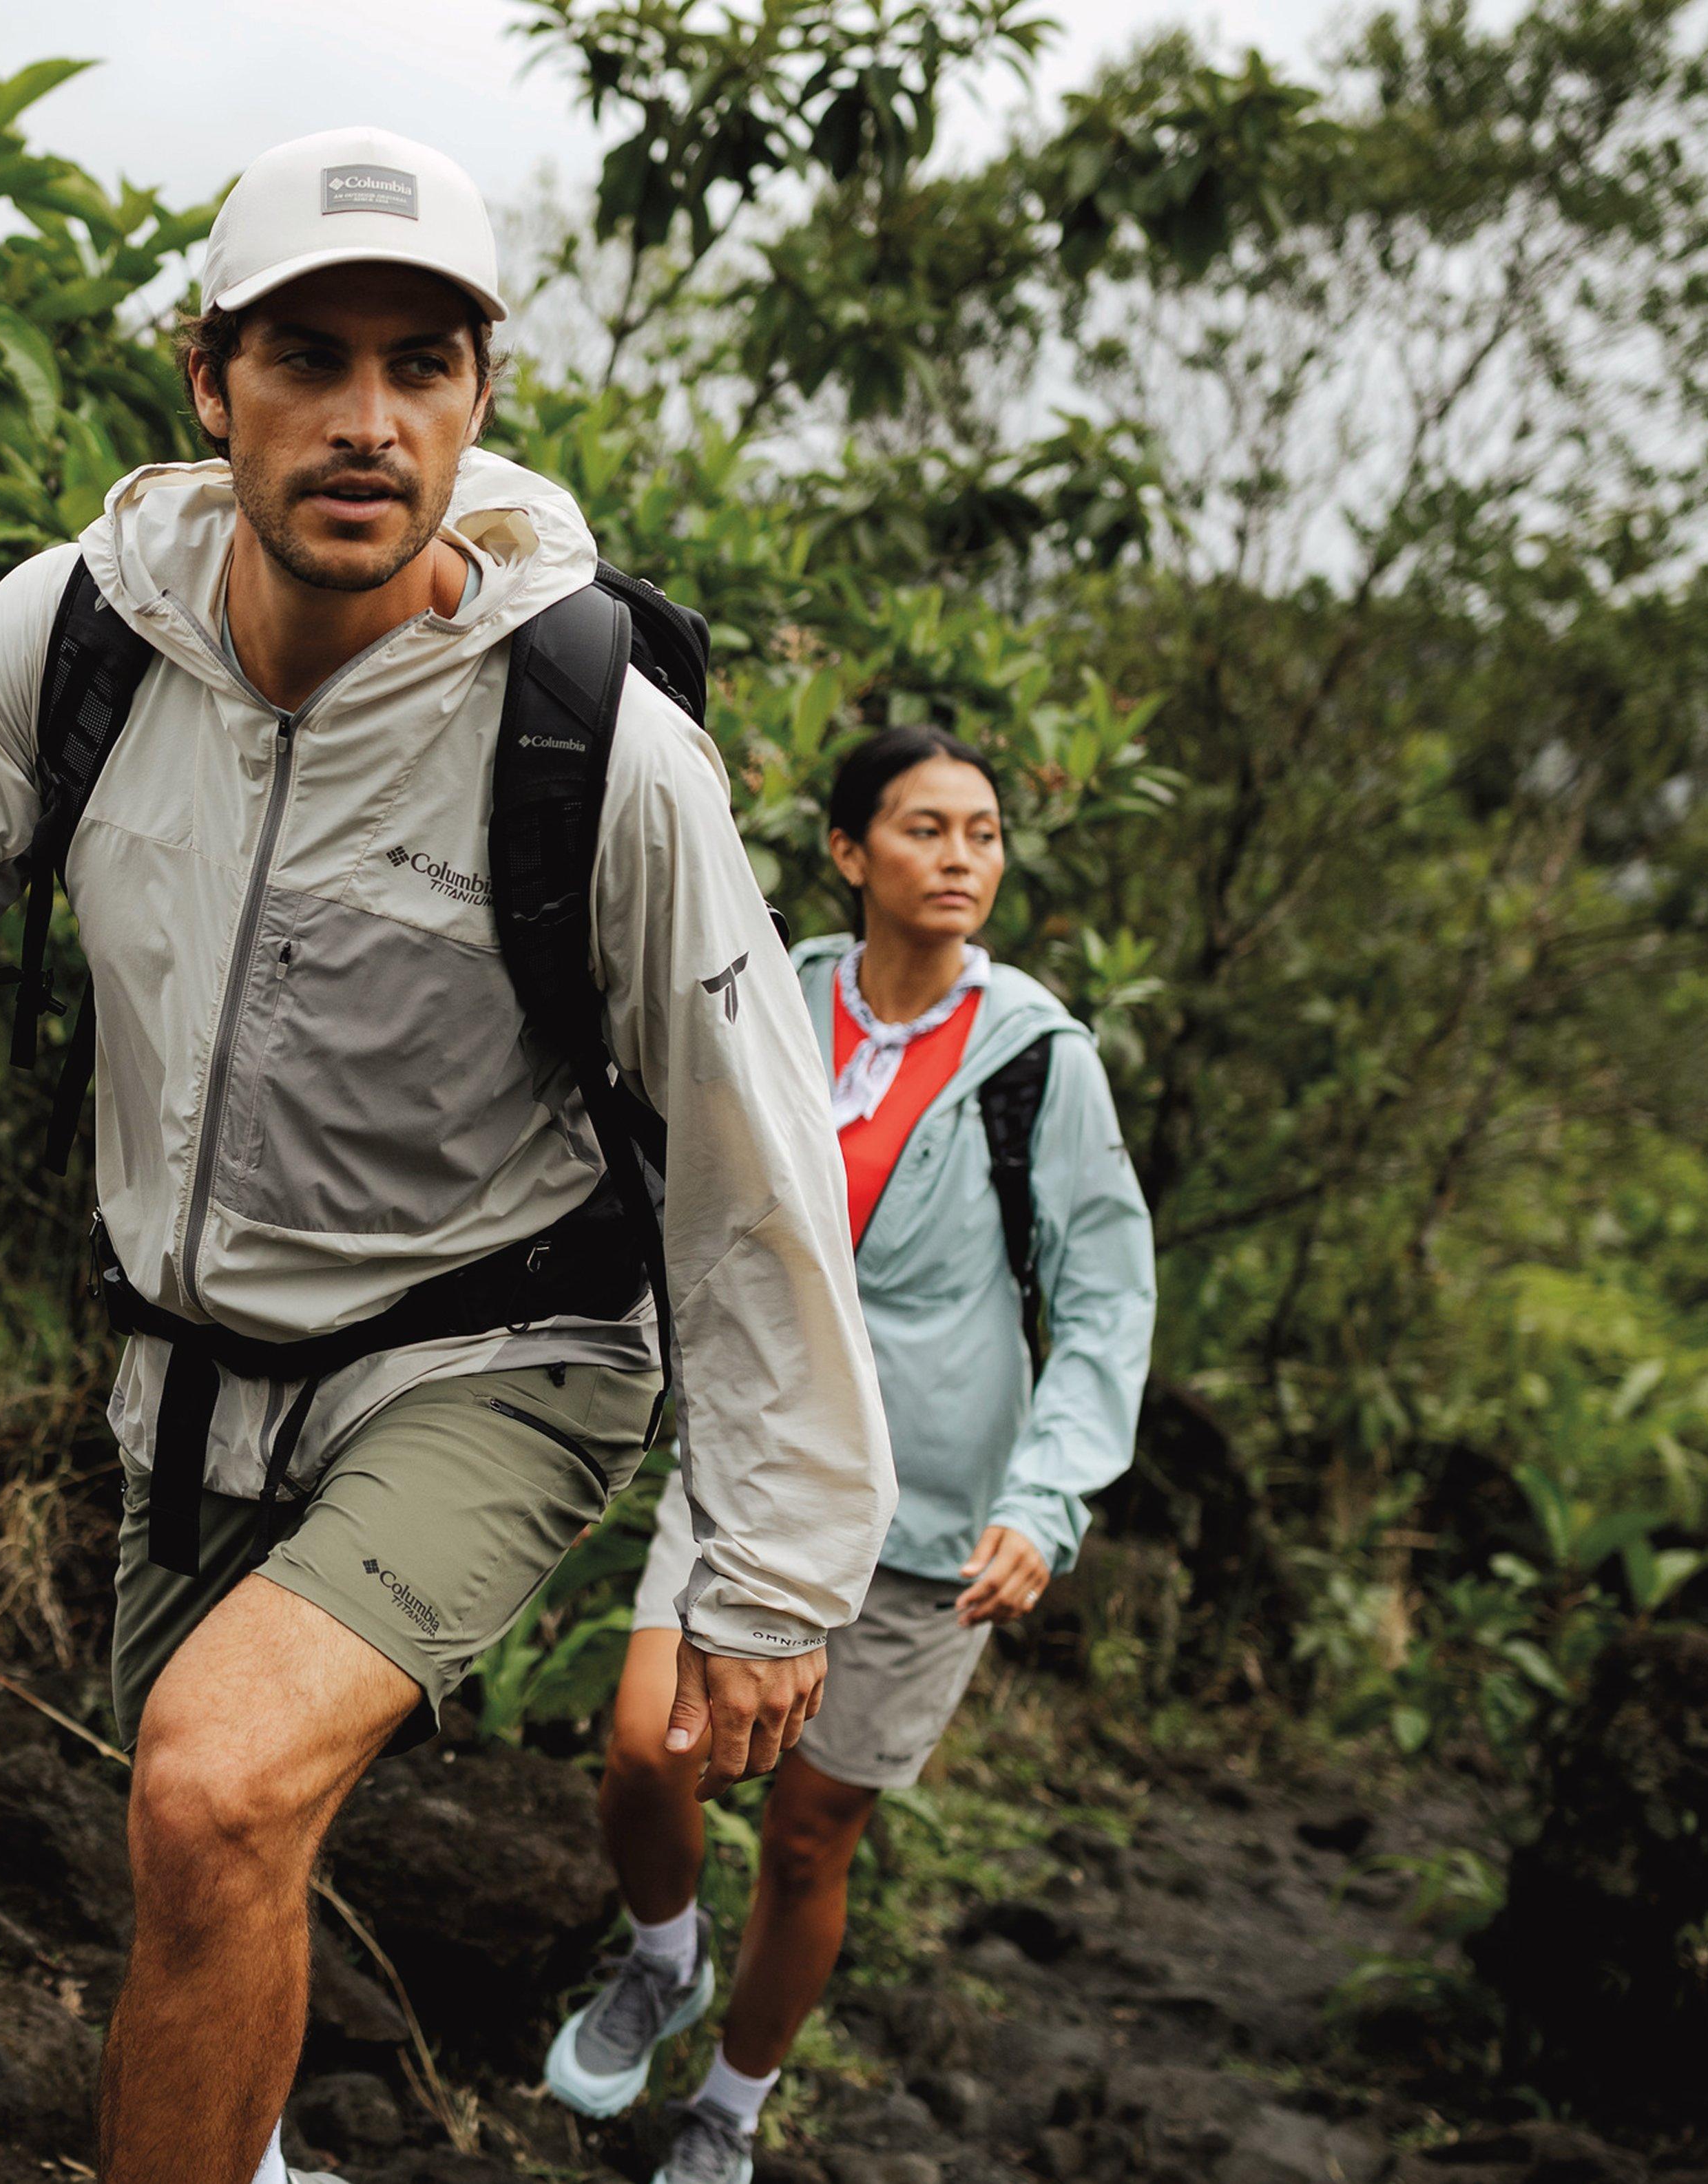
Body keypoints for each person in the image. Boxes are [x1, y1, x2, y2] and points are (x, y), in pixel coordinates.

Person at [0, 125, 895, 2184]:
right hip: (190, 1369)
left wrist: (773, 1555)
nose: (366, 418)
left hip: (495, 1352)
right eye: (307, 356)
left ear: (484, 393)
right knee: (220, 1852)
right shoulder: (74, 644)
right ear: (203, 376)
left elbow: (750, 1145)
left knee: (211, 1789)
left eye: (424, 363)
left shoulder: (595, 736)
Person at [543, 726, 1158, 2184]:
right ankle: (662, 1956)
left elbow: (1107, 1294)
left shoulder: (1036, 1061)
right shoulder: (773, 994)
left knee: (814, 1835)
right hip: (753, 1457)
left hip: (937, 1512)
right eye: (926, 828)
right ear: (844, 851)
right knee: (649, 1749)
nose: (961, 858)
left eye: (986, 832)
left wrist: (1048, 1494)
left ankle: (727, 2113)